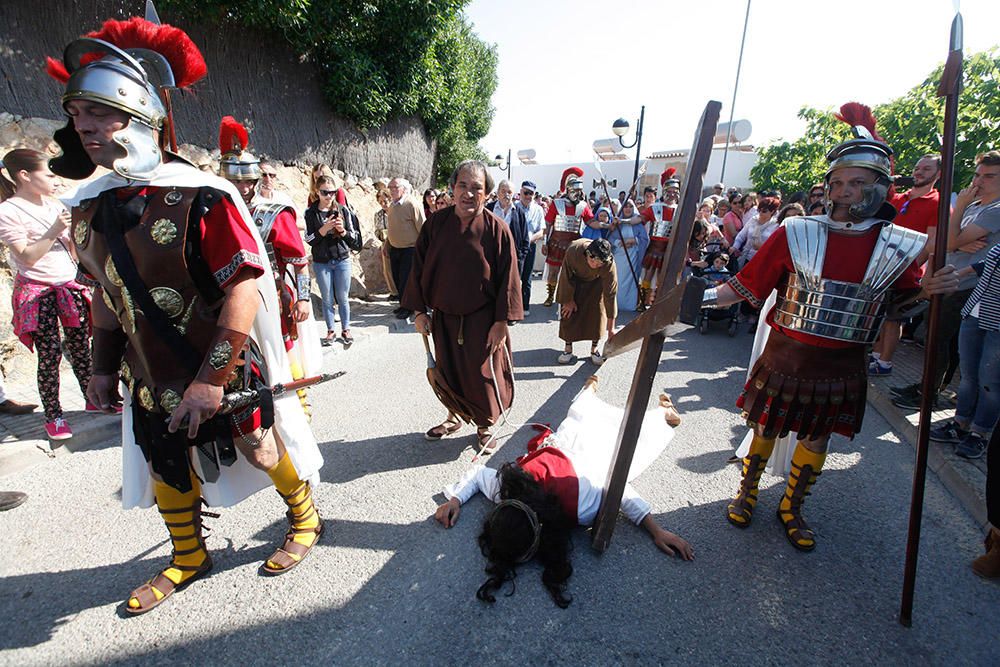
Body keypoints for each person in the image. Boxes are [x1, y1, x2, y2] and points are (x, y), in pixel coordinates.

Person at [48, 16, 324, 613]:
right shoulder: (91, 208)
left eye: (97, 112)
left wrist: (211, 379)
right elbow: (106, 292)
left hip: (219, 361)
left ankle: (305, 520)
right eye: (76, 114)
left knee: (258, 449)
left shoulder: (201, 195)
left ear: (138, 118)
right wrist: (101, 367)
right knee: (165, 458)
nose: (83, 126)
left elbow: (246, 288)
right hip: (149, 371)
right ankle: (187, 555)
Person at [702, 125, 959, 551]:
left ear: (879, 187)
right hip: (787, 353)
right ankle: (747, 491)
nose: (844, 192)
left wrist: (928, 291)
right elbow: (745, 287)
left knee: (815, 436)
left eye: (856, 183)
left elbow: (898, 306)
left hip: (841, 362)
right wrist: (695, 300)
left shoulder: (897, 243)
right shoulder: (796, 232)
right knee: (764, 426)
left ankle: (792, 505)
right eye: (837, 182)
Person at [434, 377, 692, 608]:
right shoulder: (510, 494)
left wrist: (656, 530)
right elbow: (479, 475)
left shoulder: (579, 503)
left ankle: (597, 392)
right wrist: (455, 499)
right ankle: (657, 411)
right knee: (596, 423)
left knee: (600, 426)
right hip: (575, 453)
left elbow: (619, 488)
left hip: (581, 455)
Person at [404, 160, 522, 452]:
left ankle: (484, 425)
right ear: (453, 188)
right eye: (463, 186)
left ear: (487, 193)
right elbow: (418, 268)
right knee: (448, 370)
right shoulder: (436, 224)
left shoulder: (497, 229)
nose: (468, 193)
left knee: (481, 373)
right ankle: (454, 416)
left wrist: (501, 322)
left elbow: (509, 278)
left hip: (483, 319)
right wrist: (419, 311)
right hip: (444, 316)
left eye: (477, 188)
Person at [218, 118, 321, 411]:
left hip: (271, 300)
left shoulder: (274, 214)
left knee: (281, 356)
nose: (241, 187)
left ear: (254, 181)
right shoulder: (214, 212)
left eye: (246, 181)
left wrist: (302, 298)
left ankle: (297, 410)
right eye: (234, 181)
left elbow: (299, 262)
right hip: (227, 299)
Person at [892, 151, 1000, 410]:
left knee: (940, 339)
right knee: (938, 339)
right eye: (977, 175)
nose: (978, 181)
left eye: (989, 176)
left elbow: (948, 242)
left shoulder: (995, 210)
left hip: (968, 286)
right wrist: (957, 242)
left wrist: (958, 219)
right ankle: (927, 387)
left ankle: (929, 395)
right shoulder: (977, 206)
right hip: (948, 281)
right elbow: (945, 242)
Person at [0, 149, 94, 440]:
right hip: (37, 291)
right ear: (25, 176)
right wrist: (55, 230)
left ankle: (94, 399)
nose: (55, 180)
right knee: (50, 354)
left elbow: (74, 251)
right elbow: (26, 257)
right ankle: (53, 416)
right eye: (49, 174)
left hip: (68, 285)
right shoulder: (8, 211)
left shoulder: (55, 205)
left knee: (81, 347)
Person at [870, 154, 942, 376]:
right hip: (882, 267)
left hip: (907, 272)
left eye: (926, 169)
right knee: (879, 315)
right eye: (917, 167)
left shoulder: (938, 203)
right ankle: (875, 355)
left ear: (938, 174)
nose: (919, 172)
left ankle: (885, 363)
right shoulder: (899, 198)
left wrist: (906, 267)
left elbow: (931, 243)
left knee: (893, 318)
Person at [305, 176, 362, 346]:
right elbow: (308, 239)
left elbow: (354, 238)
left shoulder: (343, 210)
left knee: (343, 297)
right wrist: (324, 229)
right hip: (322, 261)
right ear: (317, 192)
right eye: (325, 192)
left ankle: (346, 329)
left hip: (342, 259)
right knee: (327, 297)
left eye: (332, 192)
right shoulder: (310, 213)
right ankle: (330, 331)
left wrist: (341, 230)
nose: (329, 196)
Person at [556, 238, 617, 365]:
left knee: (598, 314)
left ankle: (594, 349)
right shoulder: (574, 250)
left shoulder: (608, 264)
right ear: (588, 254)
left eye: (599, 263)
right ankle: (568, 349)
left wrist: (611, 329)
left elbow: (610, 294)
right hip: (574, 281)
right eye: (593, 261)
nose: (596, 265)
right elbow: (565, 275)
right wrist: (568, 300)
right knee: (569, 313)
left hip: (597, 283)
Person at [542, 168, 592, 307]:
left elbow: (591, 222)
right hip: (556, 242)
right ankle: (550, 296)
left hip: (574, 244)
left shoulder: (583, 206)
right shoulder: (557, 204)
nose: (578, 193)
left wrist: (607, 224)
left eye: (579, 191)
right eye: (575, 190)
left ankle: (568, 297)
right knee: (553, 272)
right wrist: (545, 243)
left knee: (573, 273)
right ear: (569, 190)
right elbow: (547, 224)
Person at [638, 168, 680, 306]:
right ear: (665, 192)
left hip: (669, 248)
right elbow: (639, 219)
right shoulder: (655, 208)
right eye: (670, 191)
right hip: (655, 246)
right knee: (649, 274)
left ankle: (656, 303)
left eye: (675, 192)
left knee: (662, 277)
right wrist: (623, 221)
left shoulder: (680, 210)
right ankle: (643, 301)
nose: (672, 194)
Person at [387, 177, 425, 320]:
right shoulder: (392, 205)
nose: (391, 190)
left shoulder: (411, 204)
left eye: (395, 187)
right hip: (395, 248)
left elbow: (422, 227)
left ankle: (408, 308)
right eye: (390, 187)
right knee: (398, 279)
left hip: (410, 249)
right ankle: (403, 304)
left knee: (406, 280)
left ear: (403, 188)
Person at [609, 198, 648, 312]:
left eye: (630, 206)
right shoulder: (617, 222)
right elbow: (610, 238)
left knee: (630, 280)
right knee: (617, 279)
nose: (627, 209)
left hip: (632, 256)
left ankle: (628, 304)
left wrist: (633, 240)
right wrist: (620, 243)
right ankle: (614, 304)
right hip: (618, 255)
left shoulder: (637, 224)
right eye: (625, 206)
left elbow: (645, 239)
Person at [487, 179, 530, 282]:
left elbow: (525, 239)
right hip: (491, 259)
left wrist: (520, 258)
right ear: (497, 192)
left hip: (512, 260)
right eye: (503, 191)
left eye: (509, 192)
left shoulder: (519, 212)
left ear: (513, 194)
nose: (506, 194)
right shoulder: (489, 209)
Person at [517, 180, 546, 316]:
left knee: (527, 278)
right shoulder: (514, 207)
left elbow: (541, 231)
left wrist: (528, 241)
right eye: (526, 192)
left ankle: (525, 306)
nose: (528, 196)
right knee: (514, 277)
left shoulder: (538, 209)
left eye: (531, 193)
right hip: (515, 247)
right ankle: (514, 307)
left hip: (530, 247)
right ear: (520, 192)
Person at [373, 187, 398, 299]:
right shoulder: (379, 215)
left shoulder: (398, 211)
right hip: (386, 243)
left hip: (399, 242)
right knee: (388, 269)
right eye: (381, 202)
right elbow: (377, 229)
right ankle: (394, 292)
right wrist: (380, 235)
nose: (383, 204)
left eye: (385, 201)